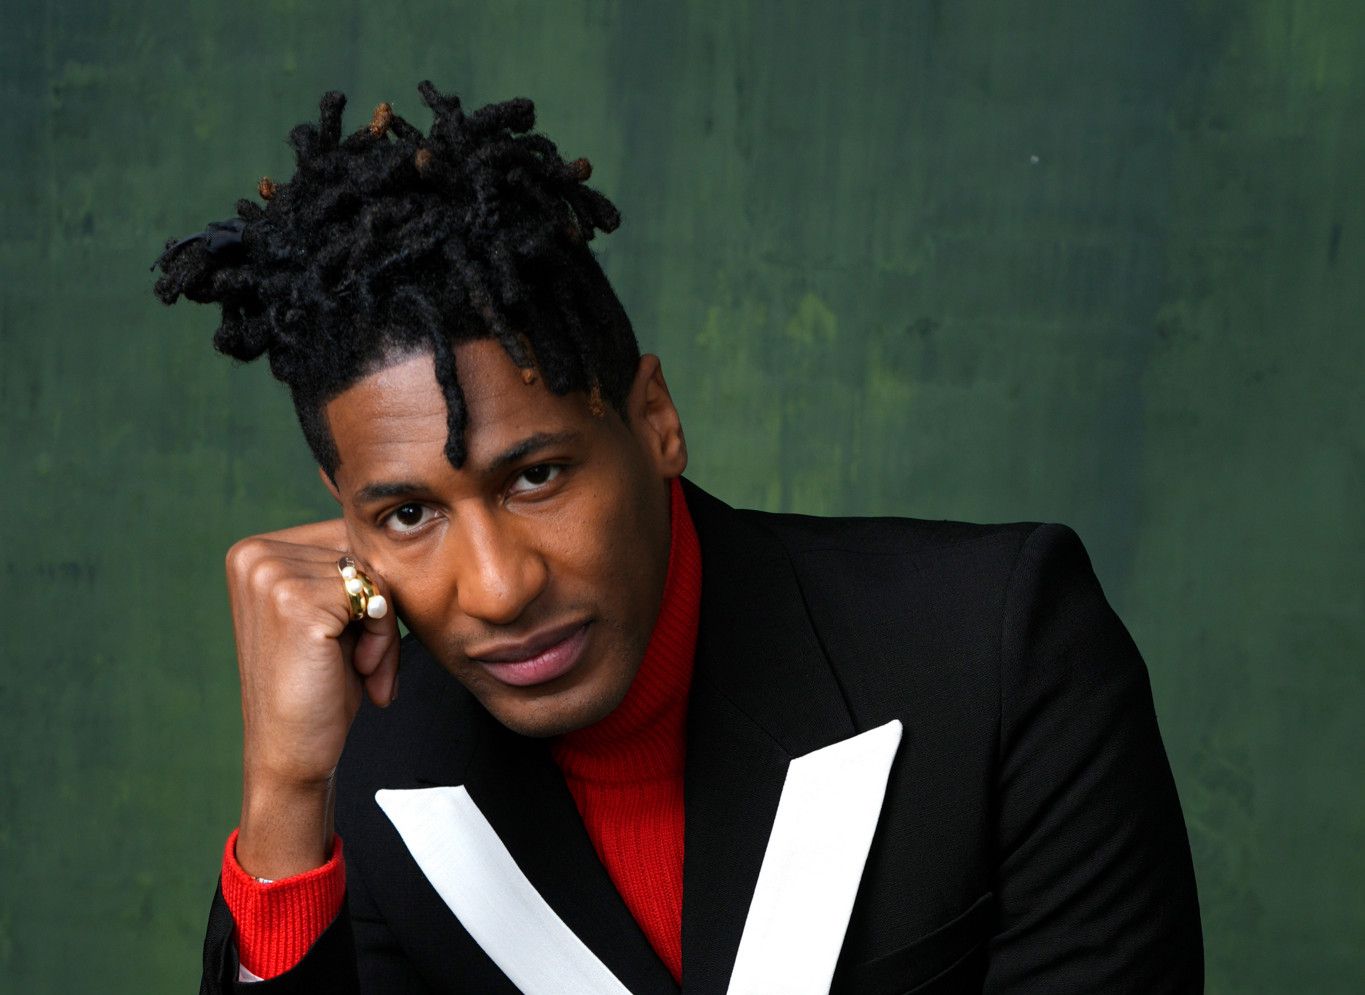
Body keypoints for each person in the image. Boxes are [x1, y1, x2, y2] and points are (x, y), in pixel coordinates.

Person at [154, 83, 1203, 994]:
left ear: (655, 418)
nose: (498, 586)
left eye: (536, 474)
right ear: (346, 516)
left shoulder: (999, 650)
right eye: (409, 513)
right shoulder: (377, 774)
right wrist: (288, 800)